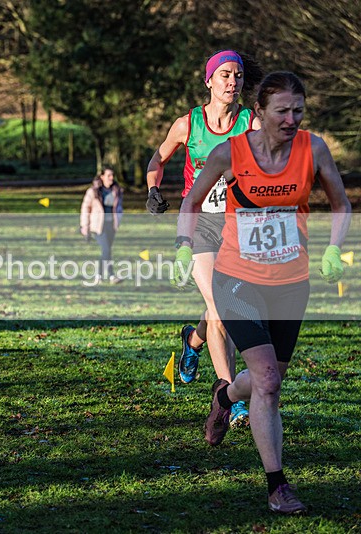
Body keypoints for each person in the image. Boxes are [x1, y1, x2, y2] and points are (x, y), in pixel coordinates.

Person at [174, 71, 351, 514]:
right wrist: (183, 244)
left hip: (292, 284)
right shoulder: (230, 152)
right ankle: (277, 485)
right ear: (260, 114)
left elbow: (341, 203)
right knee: (268, 382)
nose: (291, 119)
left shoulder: (313, 148)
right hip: (236, 279)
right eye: (282, 111)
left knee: (269, 380)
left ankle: (226, 395)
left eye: (298, 111)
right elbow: (192, 201)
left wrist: (334, 249)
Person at [146, 50, 262, 427]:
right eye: (225, 75)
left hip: (238, 226)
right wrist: (152, 188)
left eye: (239, 75)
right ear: (209, 80)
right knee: (222, 309)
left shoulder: (250, 121)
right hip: (199, 224)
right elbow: (157, 160)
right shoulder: (188, 124)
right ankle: (231, 398)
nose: (233, 82)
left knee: (223, 305)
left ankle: (192, 341)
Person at [80, 167, 123, 284]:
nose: (111, 178)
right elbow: (85, 208)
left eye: (112, 175)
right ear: (102, 177)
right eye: (108, 175)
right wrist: (84, 226)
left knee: (107, 252)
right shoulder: (93, 191)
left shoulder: (116, 190)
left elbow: (119, 207)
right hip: (98, 226)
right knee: (106, 249)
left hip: (111, 225)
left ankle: (107, 276)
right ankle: (105, 276)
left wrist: (119, 218)